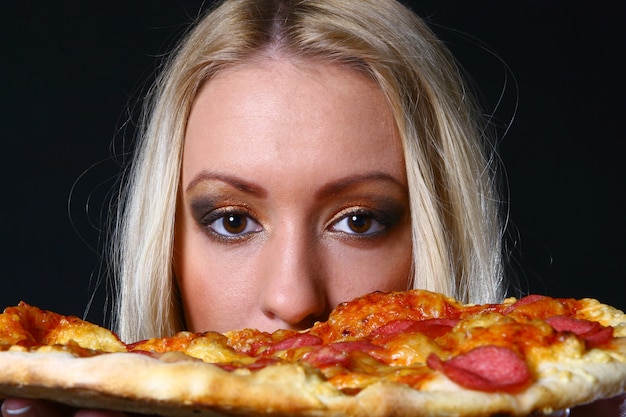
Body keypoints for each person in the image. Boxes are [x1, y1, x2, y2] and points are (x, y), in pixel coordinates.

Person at [1, 0, 623, 416]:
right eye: (233, 220)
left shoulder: (550, 356)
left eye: (358, 220)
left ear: (439, 229)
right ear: (166, 240)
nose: (295, 298)